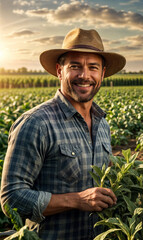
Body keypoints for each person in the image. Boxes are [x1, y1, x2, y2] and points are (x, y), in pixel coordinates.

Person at [1, 28, 126, 239]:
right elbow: (11, 199)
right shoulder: (36, 123)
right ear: (60, 71)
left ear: (102, 73)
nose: (84, 75)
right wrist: (77, 200)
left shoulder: (102, 124)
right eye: (75, 66)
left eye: (93, 67)